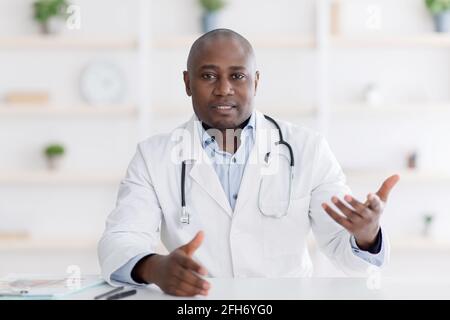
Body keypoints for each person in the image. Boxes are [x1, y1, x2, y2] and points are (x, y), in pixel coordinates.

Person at [98, 29, 399, 297]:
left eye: (238, 76)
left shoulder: (308, 149)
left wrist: (366, 235)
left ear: (256, 81)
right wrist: (155, 268)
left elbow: (345, 255)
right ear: (187, 82)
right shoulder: (154, 156)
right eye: (208, 76)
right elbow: (121, 238)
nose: (224, 89)